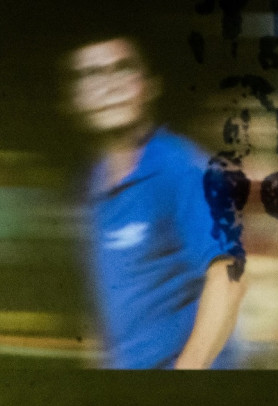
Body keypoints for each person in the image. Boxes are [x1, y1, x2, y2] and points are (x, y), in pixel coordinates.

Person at [64, 32, 247, 369]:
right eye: (92, 75)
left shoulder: (181, 168)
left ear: (149, 86)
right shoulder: (93, 182)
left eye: (123, 69)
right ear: (76, 99)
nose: (110, 86)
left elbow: (230, 275)